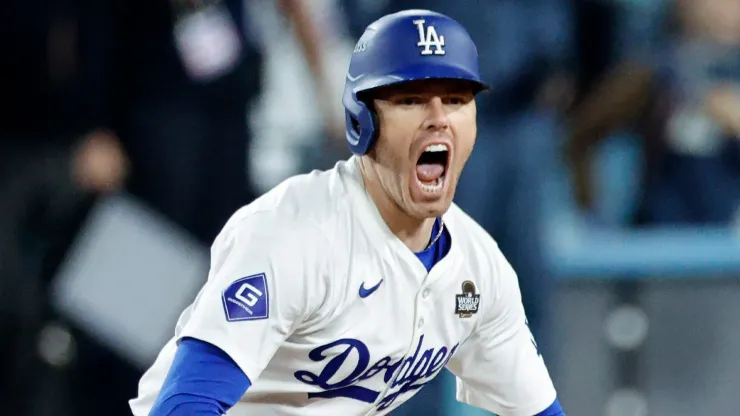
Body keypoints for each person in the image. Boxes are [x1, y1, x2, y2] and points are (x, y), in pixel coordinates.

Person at [129, 9, 565, 416]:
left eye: (455, 99)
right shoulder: (295, 234)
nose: (438, 119)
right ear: (363, 122)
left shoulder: (478, 265)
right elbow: (183, 407)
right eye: (410, 100)